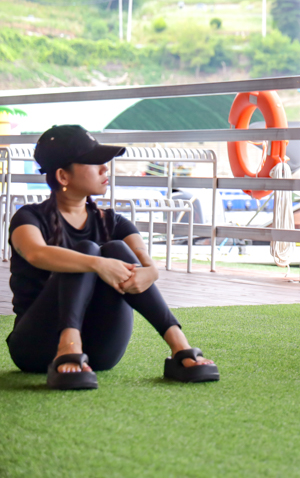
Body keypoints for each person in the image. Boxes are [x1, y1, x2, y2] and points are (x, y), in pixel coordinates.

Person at [6, 125, 219, 390]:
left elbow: (144, 261)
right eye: (94, 162)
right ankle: (68, 345)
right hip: (36, 346)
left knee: (115, 248)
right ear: (63, 176)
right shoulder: (29, 217)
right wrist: (97, 263)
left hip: (101, 348)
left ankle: (180, 347)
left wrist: (150, 272)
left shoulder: (112, 221)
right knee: (88, 251)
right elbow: (37, 253)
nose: (105, 168)